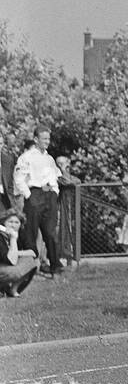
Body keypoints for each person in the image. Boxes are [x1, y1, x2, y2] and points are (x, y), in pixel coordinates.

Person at [14, 126, 63, 275]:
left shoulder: (49, 159)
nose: (47, 142)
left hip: (49, 196)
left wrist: (54, 192)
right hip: (34, 194)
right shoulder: (26, 157)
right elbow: (19, 178)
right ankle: (31, 267)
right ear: (36, 139)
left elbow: (55, 177)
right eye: (44, 139)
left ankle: (55, 265)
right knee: (31, 233)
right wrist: (29, 195)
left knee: (50, 232)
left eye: (48, 139)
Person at [0, 208, 38, 297]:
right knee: (16, 271)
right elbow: (10, 260)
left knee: (33, 262)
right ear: (4, 223)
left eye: (17, 222)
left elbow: (34, 252)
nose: (13, 225)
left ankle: (13, 289)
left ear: (20, 224)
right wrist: (13, 239)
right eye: (10, 222)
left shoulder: (21, 232)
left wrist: (16, 253)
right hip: (2, 264)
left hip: (7, 264)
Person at [55, 155, 80, 267]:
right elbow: (65, 182)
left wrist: (65, 171)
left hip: (70, 209)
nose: (60, 166)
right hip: (58, 208)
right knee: (57, 232)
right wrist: (63, 170)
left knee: (69, 232)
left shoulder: (69, 176)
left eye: (63, 163)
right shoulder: (56, 176)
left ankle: (70, 259)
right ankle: (57, 259)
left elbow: (75, 182)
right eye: (58, 164)